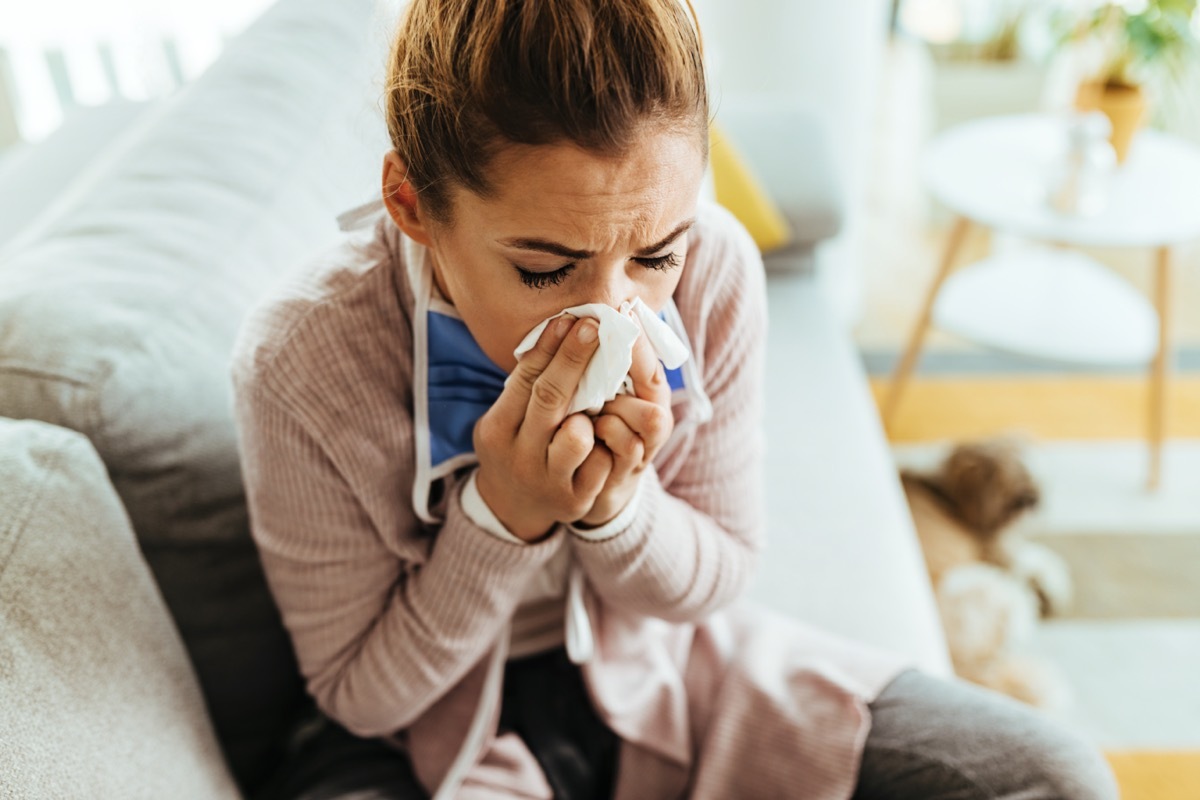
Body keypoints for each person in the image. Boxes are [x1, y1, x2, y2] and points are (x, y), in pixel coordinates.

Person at [230, 1, 1119, 798]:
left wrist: (617, 509)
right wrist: (503, 517)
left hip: (672, 672)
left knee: (1052, 777)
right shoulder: (300, 363)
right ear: (411, 203)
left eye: (656, 255)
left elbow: (721, 572)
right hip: (418, 733)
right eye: (544, 268)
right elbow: (360, 693)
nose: (615, 313)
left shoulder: (719, 271)